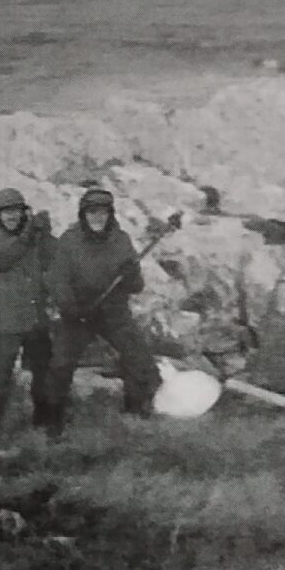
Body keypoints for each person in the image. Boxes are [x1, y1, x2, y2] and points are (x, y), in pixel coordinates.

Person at [45, 186, 161, 434]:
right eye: (92, 211)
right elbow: (58, 280)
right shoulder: (69, 241)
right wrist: (71, 308)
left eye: (103, 212)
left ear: (110, 214)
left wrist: (130, 275)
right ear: (83, 214)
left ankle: (136, 412)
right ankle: (52, 420)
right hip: (79, 311)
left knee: (139, 358)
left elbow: (136, 286)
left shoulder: (121, 240)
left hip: (113, 311)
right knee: (60, 363)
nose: (97, 217)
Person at [0, 188, 56, 436]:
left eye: (16, 211)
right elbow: (2, 259)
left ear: (24, 213)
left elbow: (54, 258)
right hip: (7, 323)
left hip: (35, 318)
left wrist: (46, 234)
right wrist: (30, 234)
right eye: (6, 212)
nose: (12, 216)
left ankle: (45, 423)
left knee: (44, 374)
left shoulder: (33, 239)